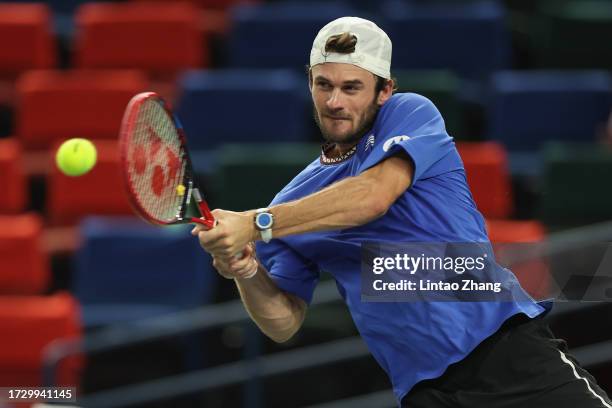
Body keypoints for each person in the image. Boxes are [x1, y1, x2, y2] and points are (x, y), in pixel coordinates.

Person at [193, 17, 612, 408]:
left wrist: (255, 223)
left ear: (385, 90)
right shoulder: (293, 203)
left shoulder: (410, 113)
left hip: (508, 353)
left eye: (352, 87)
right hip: (424, 391)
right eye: (323, 84)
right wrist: (246, 271)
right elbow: (283, 322)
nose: (334, 101)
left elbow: (373, 197)